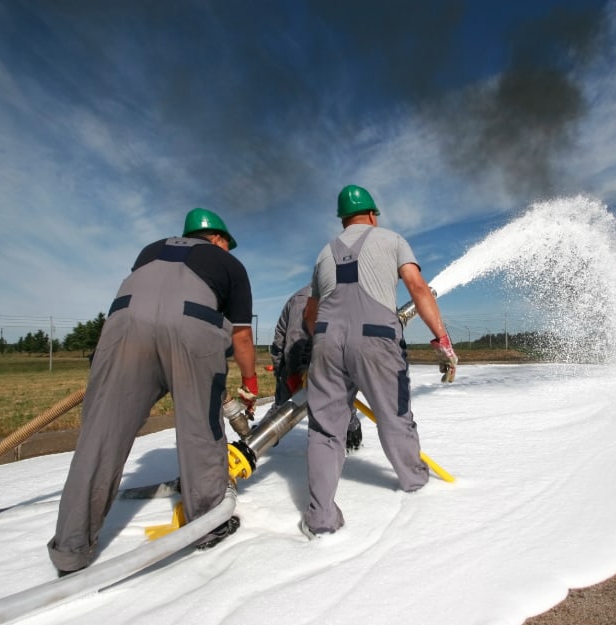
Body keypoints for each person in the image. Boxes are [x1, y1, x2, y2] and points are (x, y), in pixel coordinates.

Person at [48, 207, 258, 575]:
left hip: (124, 331)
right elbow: (240, 334)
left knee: (100, 436)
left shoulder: (149, 251)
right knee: (200, 430)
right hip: (191, 330)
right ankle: (208, 523)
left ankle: (70, 549)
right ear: (219, 239)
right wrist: (250, 383)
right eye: (227, 244)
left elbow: (151, 303)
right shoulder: (230, 265)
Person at [300, 184, 457, 537]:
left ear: (343, 219)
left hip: (326, 343)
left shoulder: (324, 253)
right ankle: (415, 485)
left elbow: (311, 313)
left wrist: (325, 343)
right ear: (372, 214)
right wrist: (442, 340)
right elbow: (417, 287)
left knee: (325, 430)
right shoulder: (392, 239)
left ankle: (321, 517)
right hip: (378, 342)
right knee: (394, 416)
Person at [268, 286, 362, 451]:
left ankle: (350, 427)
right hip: (291, 359)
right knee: (286, 403)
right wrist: (295, 380)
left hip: (320, 353)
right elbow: (293, 345)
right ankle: (259, 441)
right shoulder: (304, 300)